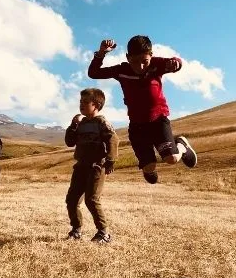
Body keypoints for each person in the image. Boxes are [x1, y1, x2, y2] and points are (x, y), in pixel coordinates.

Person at [88, 36, 196, 184]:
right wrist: (101, 53)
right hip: (137, 126)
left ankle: (182, 146)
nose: (140, 67)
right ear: (127, 57)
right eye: (134, 62)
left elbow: (177, 62)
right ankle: (149, 168)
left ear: (151, 55)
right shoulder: (121, 70)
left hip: (158, 120)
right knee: (149, 167)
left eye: (145, 61)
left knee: (171, 159)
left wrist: (175, 64)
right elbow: (94, 73)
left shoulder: (157, 64)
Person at [65, 88, 119, 243]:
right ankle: (76, 230)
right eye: (80, 102)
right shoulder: (81, 124)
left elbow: (113, 140)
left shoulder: (101, 122)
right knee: (72, 199)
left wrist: (110, 160)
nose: (81, 105)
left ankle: (104, 233)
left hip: (96, 166)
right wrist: (73, 126)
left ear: (96, 105)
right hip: (81, 166)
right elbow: (70, 142)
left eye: (85, 102)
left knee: (92, 199)